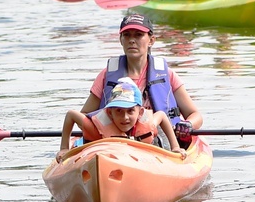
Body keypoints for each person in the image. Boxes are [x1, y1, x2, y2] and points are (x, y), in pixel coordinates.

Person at [80, 13, 203, 149]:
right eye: (127, 35)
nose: (132, 40)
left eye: (138, 35)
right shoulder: (106, 75)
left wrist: (188, 124)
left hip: (157, 144)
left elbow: (195, 114)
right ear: (121, 40)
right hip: (114, 145)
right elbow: (84, 116)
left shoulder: (167, 74)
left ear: (151, 40)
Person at [58, 79, 186, 162]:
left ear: (140, 112)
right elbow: (71, 115)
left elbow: (162, 115)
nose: (125, 117)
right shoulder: (96, 128)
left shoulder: (147, 122)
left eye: (130, 111)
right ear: (110, 113)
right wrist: (64, 148)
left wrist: (175, 147)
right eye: (118, 111)